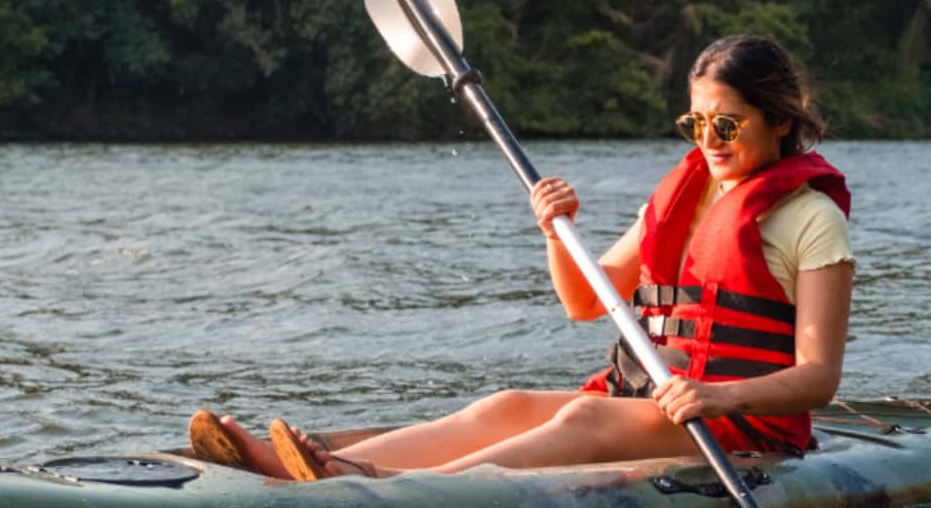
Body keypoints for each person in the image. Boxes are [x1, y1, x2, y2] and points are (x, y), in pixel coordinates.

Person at [188, 34, 855, 481]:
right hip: (656, 404)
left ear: (781, 120)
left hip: (741, 428)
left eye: (727, 124)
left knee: (585, 416)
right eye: (695, 123)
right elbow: (584, 301)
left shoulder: (810, 219)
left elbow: (817, 378)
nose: (708, 139)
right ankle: (312, 467)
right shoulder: (685, 195)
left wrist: (716, 395)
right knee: (505, 404)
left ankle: (377, 487)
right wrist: (553, 230)